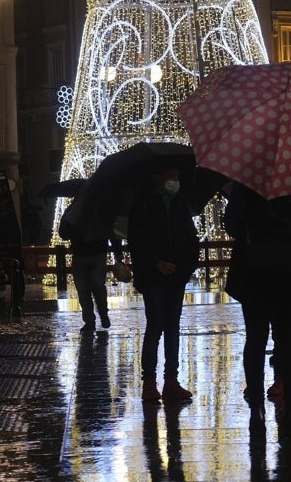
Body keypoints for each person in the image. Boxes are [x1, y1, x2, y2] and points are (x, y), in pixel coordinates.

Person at [224, 183, 291, 438]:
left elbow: (230, 225)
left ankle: (257, 408)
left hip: (254, 274)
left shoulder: (247, 183)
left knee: (255, 339)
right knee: (288, 341)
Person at [127, 166, 200, 405]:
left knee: (172, 328)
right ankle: (149, 382)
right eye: (170, 176)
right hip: (153, 277)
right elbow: (137, 242)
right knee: (155, 326)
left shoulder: (180, 204)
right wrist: (155, 262)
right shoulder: (144, 205)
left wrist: (186, 267)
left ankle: (171, 381)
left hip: (177, 277)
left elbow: (191, 239)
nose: (175, 181)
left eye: (177, 177)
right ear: (157, 177)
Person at [71, 235, 124, 332]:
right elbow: (111, 230)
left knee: (84, 290)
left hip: (81, 252)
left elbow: (64, 232)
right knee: (97, 286)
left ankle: (90, 320)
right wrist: (118, 252)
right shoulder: (100, 220)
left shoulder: (75, 219)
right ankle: (101, 314)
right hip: (97, 251)